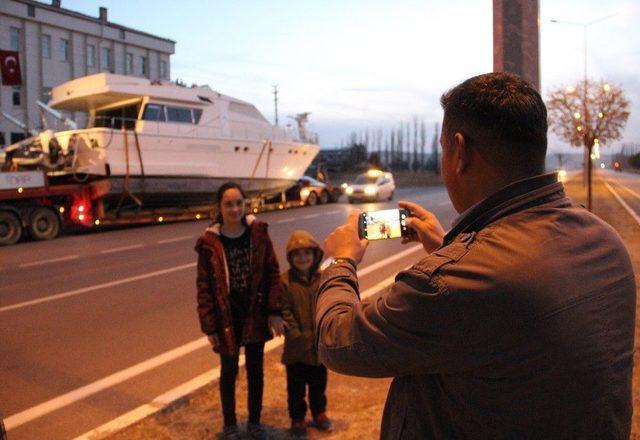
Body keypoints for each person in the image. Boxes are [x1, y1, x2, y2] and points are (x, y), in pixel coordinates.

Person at [316, 72, 636, 439]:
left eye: (441, 149)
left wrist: (340, 262)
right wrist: (449, 247)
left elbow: (338, 341)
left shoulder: (449, 286)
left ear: (460, 151)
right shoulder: (605, 241)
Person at [195, 181, 287, 440]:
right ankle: (230, 425)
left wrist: (274, 311)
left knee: (256, 370)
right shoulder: (209, 243)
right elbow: (204, 288)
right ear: (219, 208)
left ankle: (255, 423)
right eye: (228, 204)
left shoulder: (258, 234)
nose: (234, 209)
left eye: (238, 203)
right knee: (229, 371)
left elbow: (272, 272)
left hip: (254, 313)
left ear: (245, 205)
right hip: (227, 316)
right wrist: (209, 326)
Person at [280, 230, 332, 439]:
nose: (303, 258)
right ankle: (297, 418)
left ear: (314, 255)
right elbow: (285, 311)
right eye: (297, 254)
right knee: (296, 388)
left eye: (307, 254)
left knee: (319, 385)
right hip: (296, 349)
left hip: (319, 347)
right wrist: (296, 335)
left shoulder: (322, 278)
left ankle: (319, 413)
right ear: (291, 258)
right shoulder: (285, 282)